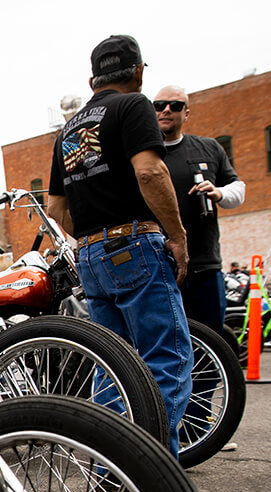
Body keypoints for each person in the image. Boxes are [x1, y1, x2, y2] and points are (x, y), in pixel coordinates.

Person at [47, 35, 196, 467]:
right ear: (138, 71)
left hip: (91, 256)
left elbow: (58, 208)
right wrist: (177, 235)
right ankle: (154, 473)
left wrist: (94, 237)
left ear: (93, 77)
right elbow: (150, 171)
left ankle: (111, 471)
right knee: (165, 360)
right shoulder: (134, 106)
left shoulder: (68, 131)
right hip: (135, 245)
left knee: (112, 367)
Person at [153, 85, 246, 333]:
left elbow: (237, 188)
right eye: (159, 105)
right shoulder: (143, 156)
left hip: (204, 265)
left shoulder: (208, 148)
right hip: (158, 268)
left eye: (176, 105)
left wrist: (219, 192)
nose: (167, 110)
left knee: (210, 337)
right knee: (165, 341)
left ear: (187, 113)